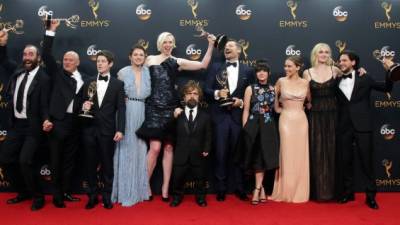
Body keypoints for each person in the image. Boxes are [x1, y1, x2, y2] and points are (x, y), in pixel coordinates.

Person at [136, 31, 215, 201]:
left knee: (169, 148)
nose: (168, 44)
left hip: (171, 108)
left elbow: (202, 64)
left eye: (171, 42)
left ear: (173, 44)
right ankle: (145, 185)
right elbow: (136, 74)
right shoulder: (149, 59)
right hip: (154, 108)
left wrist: (210, 45)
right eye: (165, 41)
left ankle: (166, 188)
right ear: (160, 43)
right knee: (155, 148)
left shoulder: (177, 61)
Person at [0, 30, 50, 211]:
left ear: (38, 58)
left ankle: (38, 196)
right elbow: (4, 60)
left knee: (25, 161)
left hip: (33, 128)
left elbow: (45, 104)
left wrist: (46, 120)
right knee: (6, 159)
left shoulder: (43, 78)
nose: (27, 57)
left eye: (31, 54)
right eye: (25, 54)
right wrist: (2, 45)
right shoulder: (18, 70)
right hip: (15, 126)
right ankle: (23, 192)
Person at [336, 50, 393, 209]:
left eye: (344, 60)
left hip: (363, 126)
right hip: (344, 126)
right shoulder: (336, 79)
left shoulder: (365, 77)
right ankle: (348, 193)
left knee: (367, 163)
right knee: (346, 161)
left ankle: (371, 196)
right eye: (340, 61)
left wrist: (389, 70)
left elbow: (386, 87)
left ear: (353, 63)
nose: (341, 63)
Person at [41, 19, 87, 207]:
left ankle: (66, 191)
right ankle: (56, 195)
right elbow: (46, 54)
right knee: (56, 160)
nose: (67, 62)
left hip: (75, 124)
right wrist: (50, 31)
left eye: (71, 60)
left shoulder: (84, 79)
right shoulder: (57, 72)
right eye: (65, 59)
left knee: (69, 161)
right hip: (58, 123)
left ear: (77, 62)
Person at [205, 39, 254, 202]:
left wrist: (241, 103)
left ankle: (240, 188)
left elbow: (252, 93)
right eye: (225, 47)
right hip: (219, 117)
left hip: (238, 118)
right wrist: (218, 94)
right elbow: (206, 90)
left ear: (239, 51)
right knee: (220, 154)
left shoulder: (248, 70)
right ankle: (220, 189)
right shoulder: (215, 67)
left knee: (239, 154)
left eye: (231, 46)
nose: (227, 48)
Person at [81, 50, 126, 209]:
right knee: (90, 165)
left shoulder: (118, 84)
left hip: (108, 130)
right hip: (89, 130)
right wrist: (84, 106)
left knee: (107, 165)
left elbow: (121, 108)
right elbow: (80, 104)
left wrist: (120, 129)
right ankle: (92, 196)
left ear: (110, 64)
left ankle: (107, 196)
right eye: (98, 61)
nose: (99, 63)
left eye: (103, 61)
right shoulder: (88, 82)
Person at [111, 45, 151, 206]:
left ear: (145, 57)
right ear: (130, 56)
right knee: (126, 149)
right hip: (126, 113)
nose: (138, 57)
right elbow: (116, 94)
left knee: (140, 150)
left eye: (141, 55)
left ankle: (139, 190)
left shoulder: (148, 72)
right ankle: (124, 191)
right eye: (135, 54)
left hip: (142, 112)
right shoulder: (122, 72)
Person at [269, 55, 311, 203]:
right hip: (286, 120)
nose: (286, 69)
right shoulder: (280, 81)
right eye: (285, 66)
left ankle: (300, 190)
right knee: (286, 154)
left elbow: (309, 103)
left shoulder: (306, 82)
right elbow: (273, 101)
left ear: (298, 67)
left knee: (300, 155)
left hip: (301, 121)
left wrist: (301, 109)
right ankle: (285, 190)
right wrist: (280, 109)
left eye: (289, 66)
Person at [302, 43, 341, 201]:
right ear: (315, 54)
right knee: (316, 151)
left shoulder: (336, 70)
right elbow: (307, 96)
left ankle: (333, 191)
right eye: (321, 52)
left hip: (333, 115)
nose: (324, 54)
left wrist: (360, 70)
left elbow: (351, 77)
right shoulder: (307, 72)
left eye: (327, 52)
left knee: (332, 150)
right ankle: (318, 192)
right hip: (315, 115)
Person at [238, 59, 279, 205]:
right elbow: (246, 110)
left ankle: (258, 188)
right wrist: (245, 127)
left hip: (268, 125)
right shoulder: (250, 88)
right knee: (256, 157)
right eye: (258, 71)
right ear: (256, 74)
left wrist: (295, 108)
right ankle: (258, 189)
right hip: (253, 126)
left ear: (268, 73)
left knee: (265, 157)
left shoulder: (274, 89)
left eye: (264, 71)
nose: (261, 73)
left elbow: (276, 109)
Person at [169, 80, 212, 207]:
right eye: (189, 93)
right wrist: (173, 118)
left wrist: (207, 148)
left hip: (198, 153)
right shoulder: (178, 113)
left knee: (200, 178)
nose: (192, 96)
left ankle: (200, 198)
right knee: (177, 178)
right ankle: (176, 197)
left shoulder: (206, 116)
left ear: (199, 97)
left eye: (195, 93)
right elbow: (168, 132)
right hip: (180, 153)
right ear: (184, 97)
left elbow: (209, 135)